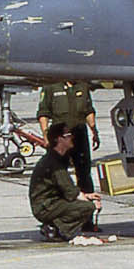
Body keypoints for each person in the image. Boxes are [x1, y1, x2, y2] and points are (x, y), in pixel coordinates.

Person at [29, 122, 106, 245]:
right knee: (88, 207)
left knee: (86, 203)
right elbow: (69, 190)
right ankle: (58, 229)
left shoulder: (57, 158)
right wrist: (88, 200)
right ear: (59, 139)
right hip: (45, 206)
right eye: (68, 135)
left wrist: (88, 195)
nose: (72, 138)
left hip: (49, 203)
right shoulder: (54, 163)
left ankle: (53, 226)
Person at [37, 80, 100, 223]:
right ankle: (61, 216)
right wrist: (45, 135)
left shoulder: (82, 86)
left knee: (84, 174)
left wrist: (94, 130)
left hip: (79, 135)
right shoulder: (51, 86)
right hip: (60, 137)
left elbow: (88, 110)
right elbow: (43, 112)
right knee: (59, 175)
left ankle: (87, 219)